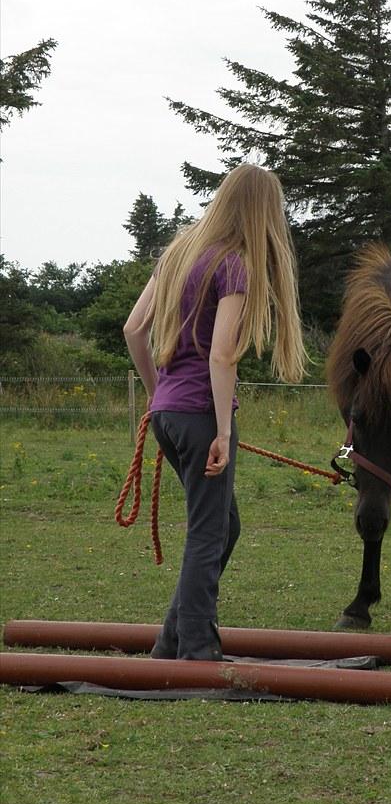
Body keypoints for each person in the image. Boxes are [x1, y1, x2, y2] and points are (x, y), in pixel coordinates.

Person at [123, 163, 306, 660]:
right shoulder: (236, 265)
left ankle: (170, 640)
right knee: (208, 531)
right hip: (203, 415)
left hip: (169, 414)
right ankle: (197, 649)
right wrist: (223, 431)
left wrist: (158, 393)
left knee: (225, 524)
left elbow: (133, 330)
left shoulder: (179, 254)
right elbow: (222, 355)